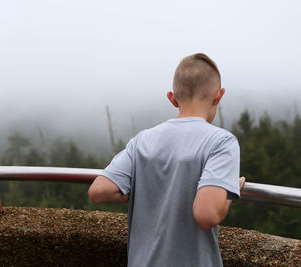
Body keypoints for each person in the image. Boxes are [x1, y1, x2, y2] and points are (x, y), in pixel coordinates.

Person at [88, 53, 245, 267]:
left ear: (172, 98)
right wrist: (229, 191)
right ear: (219, 96)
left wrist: (149, 189)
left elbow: (99, 191)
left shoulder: (142, 140)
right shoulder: (221, 142)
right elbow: (206, 214)